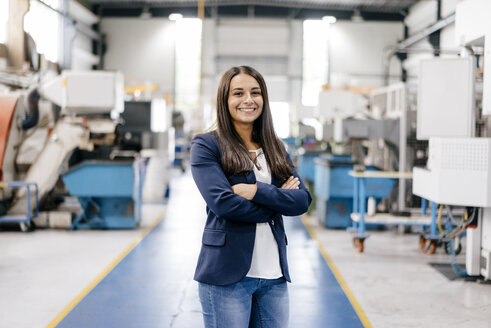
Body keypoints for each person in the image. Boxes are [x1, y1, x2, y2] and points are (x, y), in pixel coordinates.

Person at [190, 65, 312, 328]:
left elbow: (302, 200)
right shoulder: (206, 146)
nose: (248, 100)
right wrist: (278, 201)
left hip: (274, 276)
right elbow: (224, 204)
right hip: (227, 275)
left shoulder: (275, 146)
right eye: (238, 93)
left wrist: (258, 191)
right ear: (225, 100)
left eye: (255, 93)